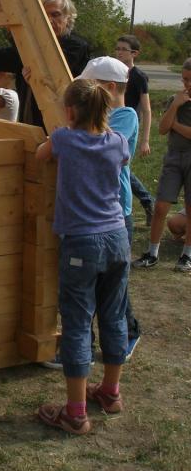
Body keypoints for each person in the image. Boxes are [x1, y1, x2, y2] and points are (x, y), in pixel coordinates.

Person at [36, 78, 130, 435]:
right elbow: (121, 160)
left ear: (71, 111)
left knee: (76, 323)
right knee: (114, 315)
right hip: (117, 237)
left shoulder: (63, 138)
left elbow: (39, 155)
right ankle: (110, 392)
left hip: (82, 243)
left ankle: (75, 413)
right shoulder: (118, 141)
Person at [80, 56, 141, 360]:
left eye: (91, 87)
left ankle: (128, 333)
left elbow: (98, 145)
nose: (86, 94)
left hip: (118, 211)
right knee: (97, 283)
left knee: (114, 284)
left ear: (110, 88)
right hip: (97, 211)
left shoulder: (125, 115)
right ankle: (90, 343)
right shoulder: (94, 118)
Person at [0, 0, 90, 128]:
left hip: (66, 130)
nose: (48, 20)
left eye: (55, 14)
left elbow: (48, 69)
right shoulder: (30, 45)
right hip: (31, 128)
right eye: (42, 15)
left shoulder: (76, 46)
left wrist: (13, 23)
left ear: (67, 18)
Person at [132, 58, 191, 272]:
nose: (187, 84)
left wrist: (176, 124)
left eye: (190, 80)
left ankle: (186, 256)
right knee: (160, 206)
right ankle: (152, 253)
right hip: (174, 157)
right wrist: (175, 106)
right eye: (184, 79)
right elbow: (163, 128)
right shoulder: (174, 99)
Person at [115, 35, 154, 226]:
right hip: (114, 122)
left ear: (134, 53)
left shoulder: (138, 76)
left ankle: (146, 201)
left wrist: (145, 140)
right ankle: (147, 201)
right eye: (117, 48)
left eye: (123, 49)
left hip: (128, 126)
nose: (119, 52)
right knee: (120, 167)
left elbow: (147, 109)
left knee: (121, 166)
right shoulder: (114, 71)